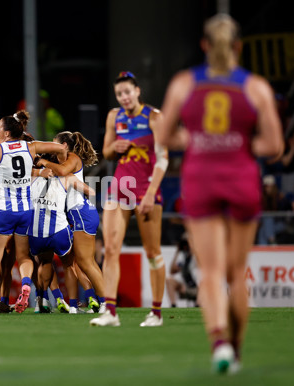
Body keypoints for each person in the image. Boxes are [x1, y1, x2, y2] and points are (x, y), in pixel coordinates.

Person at [156, 14, 283, 373]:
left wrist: (196, 140)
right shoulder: (254, 87)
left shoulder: (184, 83)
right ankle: (237, 349)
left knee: (209, 271)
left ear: (204, 46)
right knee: (236, 271)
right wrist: (239, 143)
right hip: (241, 177)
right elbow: (274, 144)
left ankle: (219, 344)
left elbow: (164, 136)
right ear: (239, 46)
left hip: (201, 178)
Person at [0, 110, 65, 314]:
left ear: (7, 133)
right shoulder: (31, 147)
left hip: (2, 211)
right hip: (25, 211)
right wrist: (58, 164)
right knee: (24, 257)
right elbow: (59, 147)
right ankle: (26, 283)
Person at [90, 71, 169, 328]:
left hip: (146, 190)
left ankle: (156, 313)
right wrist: (116, 148)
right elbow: (106, 150)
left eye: (127, 92)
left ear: (137, 91)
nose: (124, 97)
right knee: (111, 249)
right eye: (119, 94)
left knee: (153, 252)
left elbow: (163, 158)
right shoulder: (115, 116)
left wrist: (150, 193)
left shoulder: (155, 117)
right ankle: (110, 312)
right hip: (120, 188)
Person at [36, 131, 105, 313]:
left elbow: (63, 172)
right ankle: (87, 302)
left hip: (81, 213)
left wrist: (43, 163)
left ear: (64, 146)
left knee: (86, 262)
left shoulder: (72, 158)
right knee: (80, 262)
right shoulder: (61, 163)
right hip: (77, 214)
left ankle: (106, 303)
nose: (51, 145)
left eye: (54, 143)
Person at [166, 237, 198, 308]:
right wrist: (177, 252)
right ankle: (173, 305)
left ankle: (197, 305)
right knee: (169, 280)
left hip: (198, 286)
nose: (186, 247)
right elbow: (172, 271)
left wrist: (195, 250)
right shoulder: (182, 255)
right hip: (184, 286)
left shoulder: (198, 254)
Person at [257, 175, 286, 245]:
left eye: (271, 186)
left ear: (274, 187)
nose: (269, 188)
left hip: (279, 224)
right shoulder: (260, 198)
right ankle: (271, 240)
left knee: (267, 221)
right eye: (267, 186)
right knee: (264, 227)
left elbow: (282, 214)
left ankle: (269, 242)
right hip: (263, 223)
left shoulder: (279, 198)